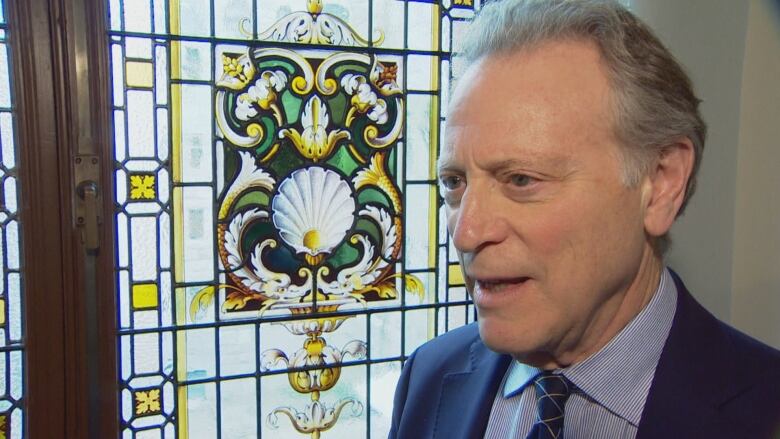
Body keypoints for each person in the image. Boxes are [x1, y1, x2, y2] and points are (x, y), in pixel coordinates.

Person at [388, 0, 780, 438]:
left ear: (661, 183)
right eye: (455, 182)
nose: (467, 232)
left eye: (521, 179)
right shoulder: (429, 377)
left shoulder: (764, 408)